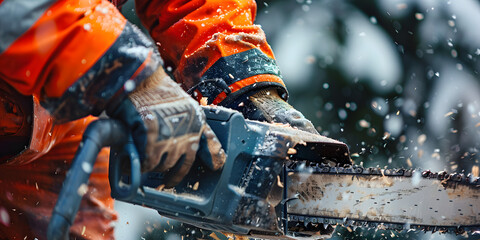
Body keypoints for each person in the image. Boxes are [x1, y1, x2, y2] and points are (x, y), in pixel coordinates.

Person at [0, 0, 317, 239]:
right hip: (46, 48)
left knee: (81, 228)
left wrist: (242, 82)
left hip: (54, 107)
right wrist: (128, 73)